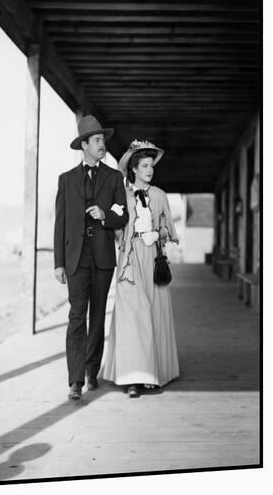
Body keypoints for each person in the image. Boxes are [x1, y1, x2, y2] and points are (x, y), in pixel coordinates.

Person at [54, 115, 129, 401]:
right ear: (84, 145)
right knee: (76, 316)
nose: (102, 145)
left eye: (102, 140)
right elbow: (59, 223)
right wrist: (59, 262)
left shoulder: (113, 177)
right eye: (97, 140)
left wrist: (105, 215)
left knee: (97, 317)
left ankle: (90, 371)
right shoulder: (66, 180)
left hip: (102, 256)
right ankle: (74, 381)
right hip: (75, 258)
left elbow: (122, 213)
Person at [101, 139, 180, 398]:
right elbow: (113, 229)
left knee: (154, 313)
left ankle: (152, 373)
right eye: (145, 166)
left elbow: (167, 229)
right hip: (130, 259)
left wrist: (157, 235)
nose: (149, 170)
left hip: (153, 258)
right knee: (132, 315)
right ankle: (132, 377)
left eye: (151, 166)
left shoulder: (159, 195)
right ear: (133, 168)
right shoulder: (120, 195)